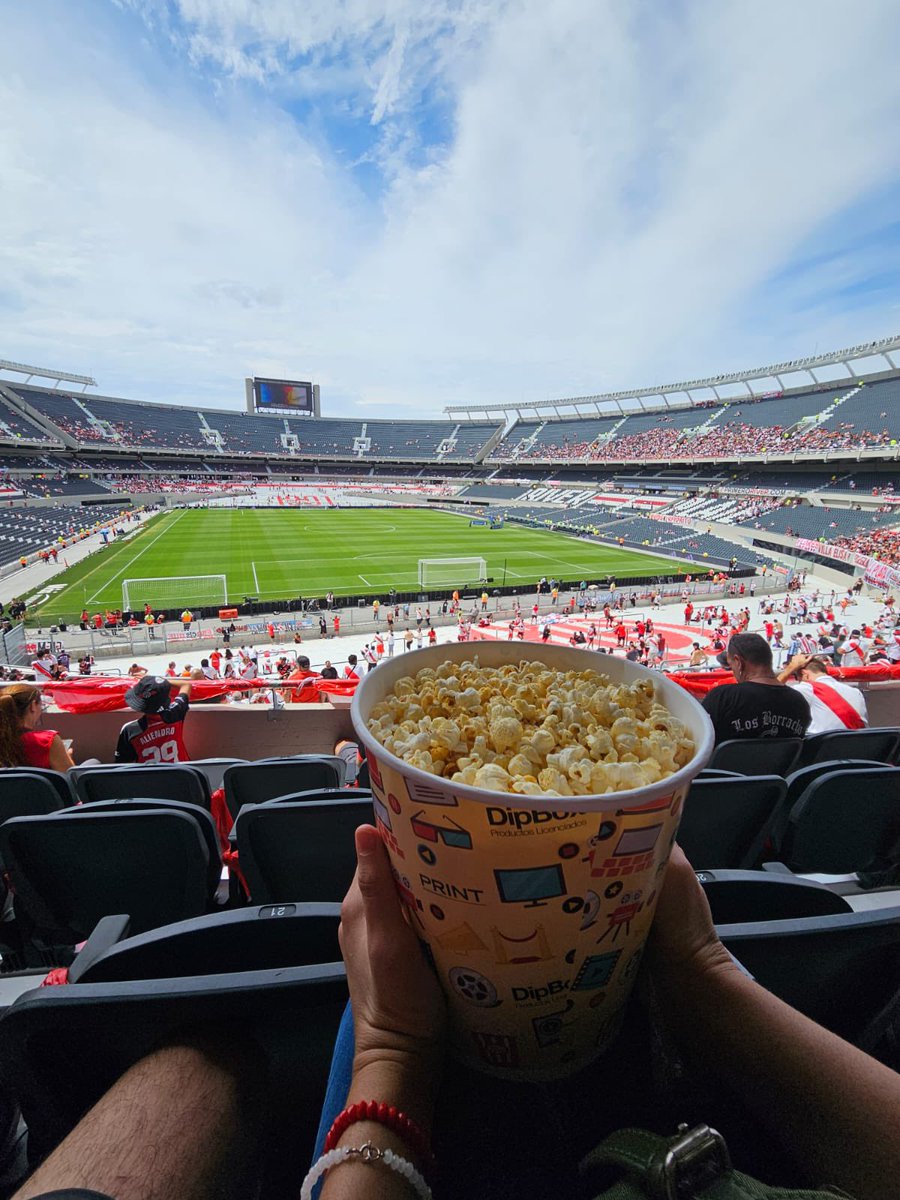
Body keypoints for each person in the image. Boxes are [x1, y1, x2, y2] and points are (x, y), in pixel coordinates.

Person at [702, 632, 811, 744]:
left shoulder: (723, 697)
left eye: (731, 665)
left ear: (738, 662)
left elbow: (698, 740)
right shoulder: (800, 702)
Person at [778, 654, 869, 734]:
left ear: (805, 674)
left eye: (797, 678)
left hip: (826, 749)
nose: (798, 682)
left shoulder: (808, 689)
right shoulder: (856, 692)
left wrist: (791, 667)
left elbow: (769, 691)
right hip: (859, 746)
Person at [114, 676, 192, 764]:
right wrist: (159, 683)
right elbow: (186, 685)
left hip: (149, 777)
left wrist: (150, 684)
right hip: (182, 773)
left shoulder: (130, 730)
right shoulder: (176, 712)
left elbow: (122, 763)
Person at [0, 682, 75, 771]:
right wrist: (66, 757)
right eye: (41, 705)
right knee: (92, 762)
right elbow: (71, 778)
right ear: (33, 706)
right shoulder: (47, 741)